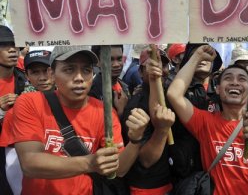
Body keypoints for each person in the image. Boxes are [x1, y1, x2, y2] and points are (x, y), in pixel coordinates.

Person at [12, 45, 150, 195]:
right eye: (69, 69)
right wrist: (90, 163)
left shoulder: (104, 111)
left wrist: (135, 140)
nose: (79, 78)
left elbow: (119, 169)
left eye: (86, 70)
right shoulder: (30, 102)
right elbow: (30, 163)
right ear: (52, 74)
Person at [167, 45, 248, 194]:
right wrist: (197, 56)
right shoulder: (205, 122)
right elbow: (174, 94)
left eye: (242, 79)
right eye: (228, 78)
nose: (235, 82)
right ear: (218, 89)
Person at [0, 49, 54, 195]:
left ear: (55, 71)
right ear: (27, 76)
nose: (43, 77)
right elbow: (13, 167)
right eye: (35, 72)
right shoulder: (15, 112)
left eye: (47, 70)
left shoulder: (74, 104)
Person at [121, 48, 174, 195]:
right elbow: (145, 160)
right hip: (148, 187)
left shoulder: (169, 94)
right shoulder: (136, 106)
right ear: (139, 71)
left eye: (163, 65)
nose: (159, 69)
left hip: (168, 181)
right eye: (151, 65)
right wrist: (161, 131)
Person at [0, 25, 26, 195]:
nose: (12, 50)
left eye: (15, 45)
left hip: (19, 150)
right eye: (4, 45)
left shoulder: (24, 78)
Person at [89, 45, 130, 118]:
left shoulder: (125, 87)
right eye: (110, 59)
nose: (116, 64)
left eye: (119, 59)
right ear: (98, 62)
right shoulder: (92, 92)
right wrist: (120, 112)